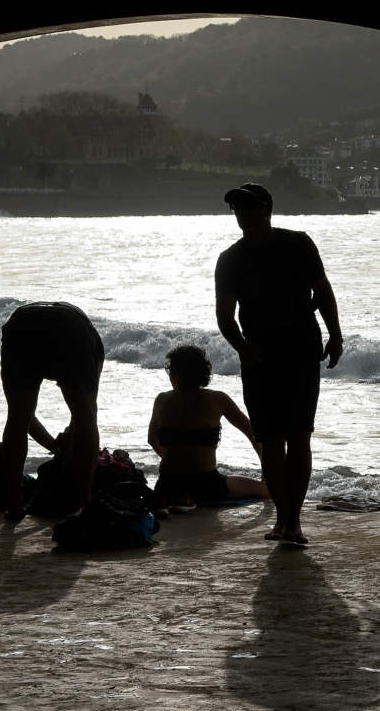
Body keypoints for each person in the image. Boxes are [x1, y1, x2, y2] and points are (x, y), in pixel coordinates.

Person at [216, 183, 343, 545]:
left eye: (249, 207)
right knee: (271, 440)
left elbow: (323, 290)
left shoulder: (298, 244)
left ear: (267, 208)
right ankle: (283, 519)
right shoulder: (230, 259)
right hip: (260, 356)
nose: (242, 214)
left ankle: (293, 522)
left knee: (300, 436)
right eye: (237, 208)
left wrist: (335, 336)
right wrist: (241, 347)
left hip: (302, 349)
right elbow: (225, 315)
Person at [0, 300, 103, 522]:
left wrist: (55, 446)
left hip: (22, 325)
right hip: (71, 331)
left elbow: (26, 418)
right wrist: (61, 445)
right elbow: (87, 416)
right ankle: (83, 503)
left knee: (16, 417)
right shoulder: (92, 344)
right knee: (86, 418)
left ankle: (14, 504)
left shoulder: (88, 338)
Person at [147, 345, 269, 512]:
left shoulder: (161, 400)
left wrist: (179, 460)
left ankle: (182, 497)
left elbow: (152, 439)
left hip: (167, 486)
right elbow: (253, 433)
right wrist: (266, 469)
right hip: (207, 485)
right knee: (268, 490)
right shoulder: (217, 399)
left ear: (176, 375)